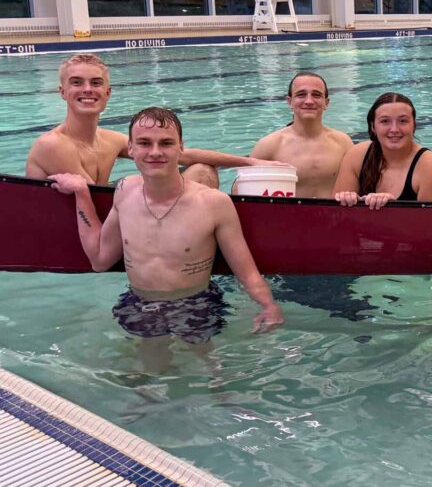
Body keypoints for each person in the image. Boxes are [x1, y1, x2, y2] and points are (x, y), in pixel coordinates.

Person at [48, 107, 284, 371]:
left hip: (196, 303)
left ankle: (222, 394)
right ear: (131, 148)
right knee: (151, 369)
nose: (155, 152)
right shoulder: (125, 191)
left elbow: (247, 272)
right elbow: (100, 260)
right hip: (140, 302)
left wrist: (268, 305)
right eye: (145, 143)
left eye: (166, 143)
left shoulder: (214, 204)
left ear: (181, 148)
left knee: (210, 366)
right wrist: (82, 193)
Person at [26, 53, 274, 187]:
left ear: (108, 93)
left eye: (96, 83)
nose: (87, 89)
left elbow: (183, 154)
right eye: (77, 83)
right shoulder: (53, 145)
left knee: (202, 170)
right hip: (77, 236)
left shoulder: (108, 139)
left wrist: (251, 162)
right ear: (62, 92)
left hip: (103, 220)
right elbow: (95, 200)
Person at [333, 92, 432, 208]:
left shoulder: (430, 167)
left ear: (414, 125)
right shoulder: (357, 155)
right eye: (385, 121)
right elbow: (333, 215)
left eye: (403, 121)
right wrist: (346, 199)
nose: (394, 129)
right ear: (373, 126)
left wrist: (393, 209)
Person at [249, 72, 354, 198]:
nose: (309, 101)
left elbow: (360, 185)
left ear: (326, 102)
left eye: (316, 95)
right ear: (290, 101)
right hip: (289, 216)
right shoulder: (270, 145)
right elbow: (242, 189)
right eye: (301, 95)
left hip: (334, 216)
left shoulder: (343, 142)